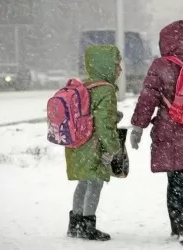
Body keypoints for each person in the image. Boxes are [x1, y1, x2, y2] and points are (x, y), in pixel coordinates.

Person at [129, 20, 183, 246]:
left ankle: (178, 228)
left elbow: (148, 98)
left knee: (175, 183)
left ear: (164, 42)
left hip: (170, 134)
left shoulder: (160, 66)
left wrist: (138, 125)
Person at [65, 45, 122, 241]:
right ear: (105, 66)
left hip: (78, 143)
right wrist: (114, 148)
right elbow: (104, 124)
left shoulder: (84, 86)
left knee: (83, 182)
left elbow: (90, 113)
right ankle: (88, 226)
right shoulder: (106, 89)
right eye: (116, 65)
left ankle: (75, 224)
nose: (120, 70)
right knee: (95, 183)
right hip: (95, 144)